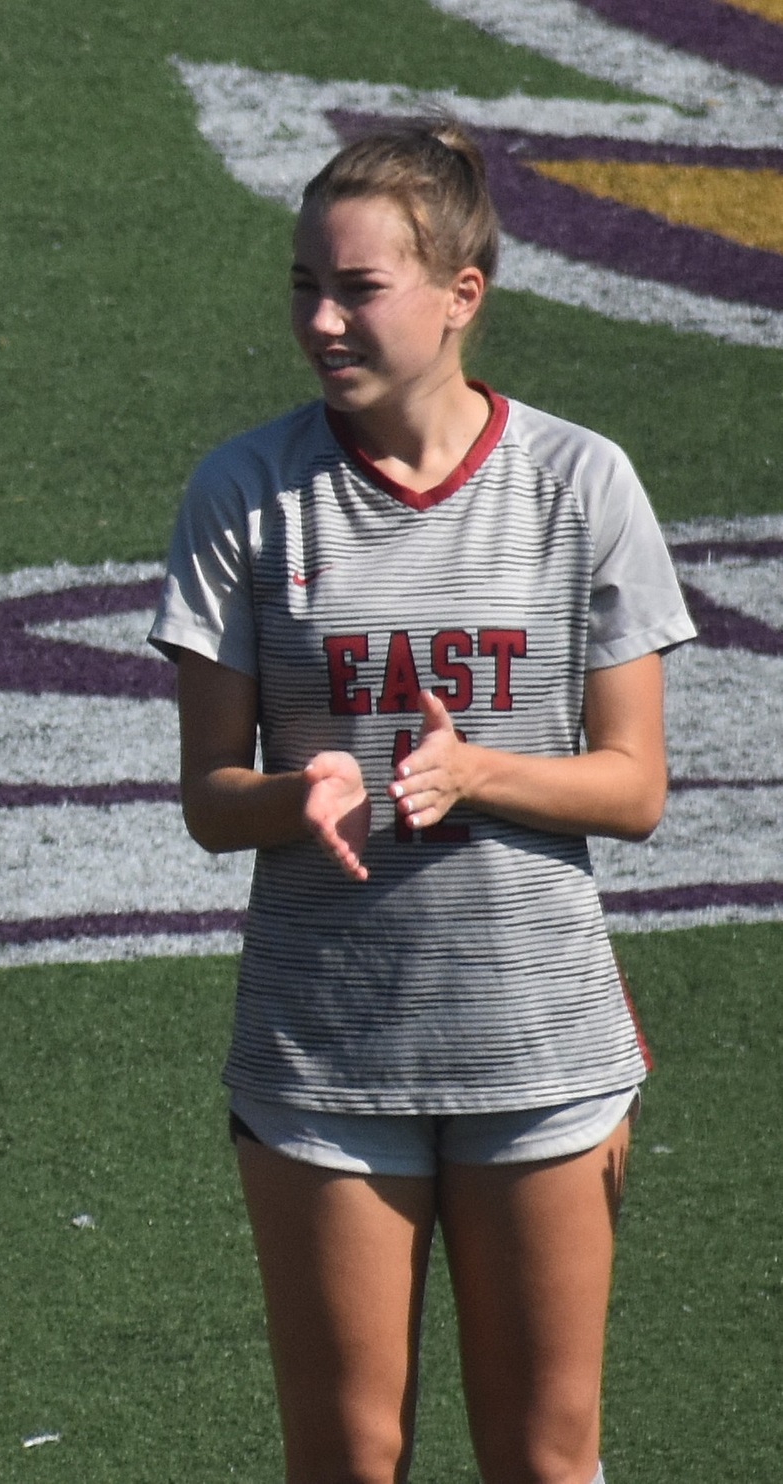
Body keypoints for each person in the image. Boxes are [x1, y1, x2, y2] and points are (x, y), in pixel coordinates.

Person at [151, 122, 695, 1484]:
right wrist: (296, 793)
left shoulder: (579, 484)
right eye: (301, 287)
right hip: (322, 1051)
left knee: (545, 1457)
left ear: (462, 294)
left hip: (540, 1047)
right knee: (344, 1455)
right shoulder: (244, 494)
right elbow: (210, 803)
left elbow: (632, 787)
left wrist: (476, 773)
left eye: (355, 289)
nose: (318, 319)